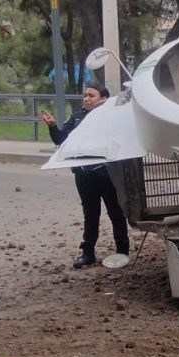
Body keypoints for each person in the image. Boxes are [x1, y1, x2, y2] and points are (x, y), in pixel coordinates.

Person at [41, 83, 130, 267]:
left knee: (116, 212)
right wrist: (52, 126)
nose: (87, 99)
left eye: (91, 95)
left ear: (103, 98)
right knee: (90, 214)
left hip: (107, 173)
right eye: (85, 96)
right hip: (83, 175)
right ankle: (88, 253)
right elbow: (61, 139)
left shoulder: (111, 117)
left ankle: (122, 251)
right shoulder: (77, 116)